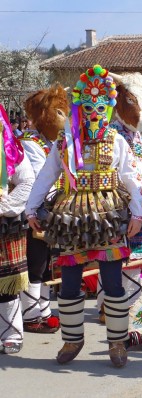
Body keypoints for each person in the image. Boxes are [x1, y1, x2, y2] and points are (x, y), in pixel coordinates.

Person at [26, 64, 142, 368]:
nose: (94, 112)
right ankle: (72, 339)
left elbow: (131, 177)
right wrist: (31, 209)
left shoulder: (117, 141)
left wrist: (137, 212)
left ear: (108, 109)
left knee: (112, 282)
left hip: (108, 213)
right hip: (71, 217)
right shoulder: (65, 142)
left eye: (101, 106)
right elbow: (46, 175)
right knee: (68, 282)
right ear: (80, 106)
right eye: (88, 106)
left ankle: (117, 343)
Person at [97, 71, 142, 320]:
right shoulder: (106, 135)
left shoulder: (141, 139)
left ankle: (127, 303)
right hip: (113, 206)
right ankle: (108, 304)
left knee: (138, 257)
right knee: (109, 256)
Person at [18, 84, 68, 334]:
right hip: (33, 210)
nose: (64, 118)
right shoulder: (31, 143)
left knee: (48, 263)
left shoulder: (52, 142)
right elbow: (40, 178)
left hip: (52, 210)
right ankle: (30, 315)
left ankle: (44, 309)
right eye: (58, 113)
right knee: (35, 262)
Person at [0, 105, 34, 354]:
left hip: (3, 223)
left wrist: (5, 206)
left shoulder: (11, 151)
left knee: (5, 281)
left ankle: (11, 333)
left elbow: (27, 181)